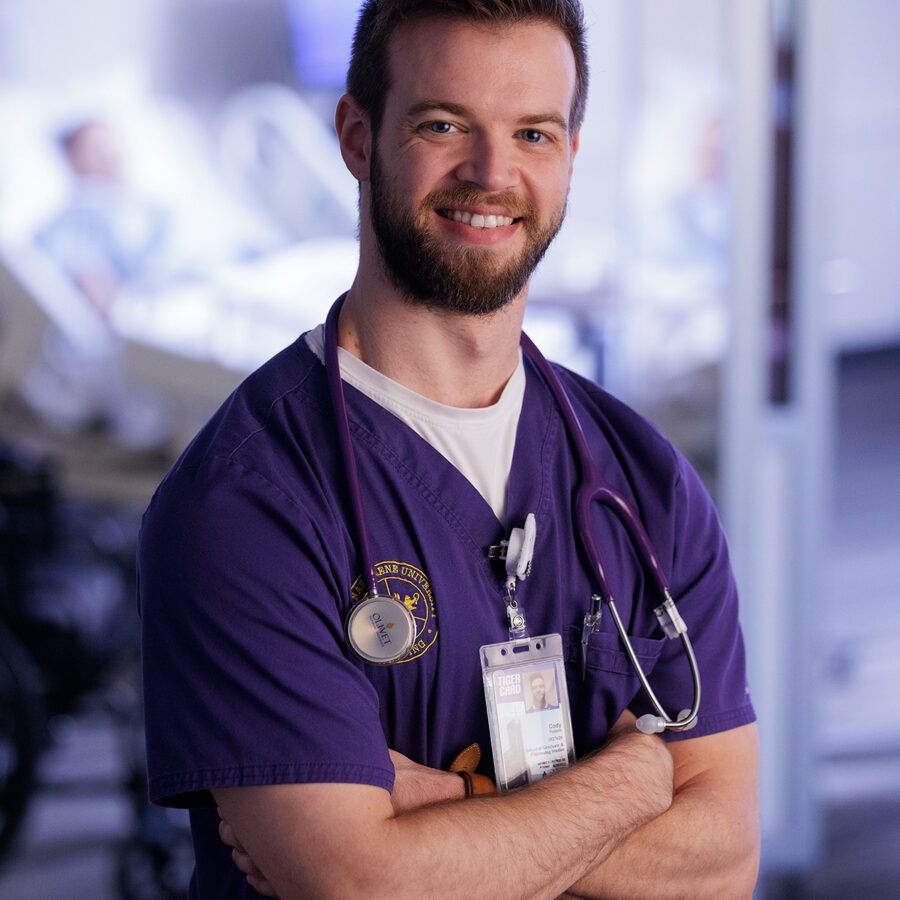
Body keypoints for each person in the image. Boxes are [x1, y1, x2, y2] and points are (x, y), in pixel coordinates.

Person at [138, 2, 760, 897]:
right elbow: (361, 883)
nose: (492, 173)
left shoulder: (643, 481)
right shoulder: (244, 503)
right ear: (357, 136)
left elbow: (724, 860)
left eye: (534, 134)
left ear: (571, 159)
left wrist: (451, 802)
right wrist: (631, 781)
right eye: (443, 124)